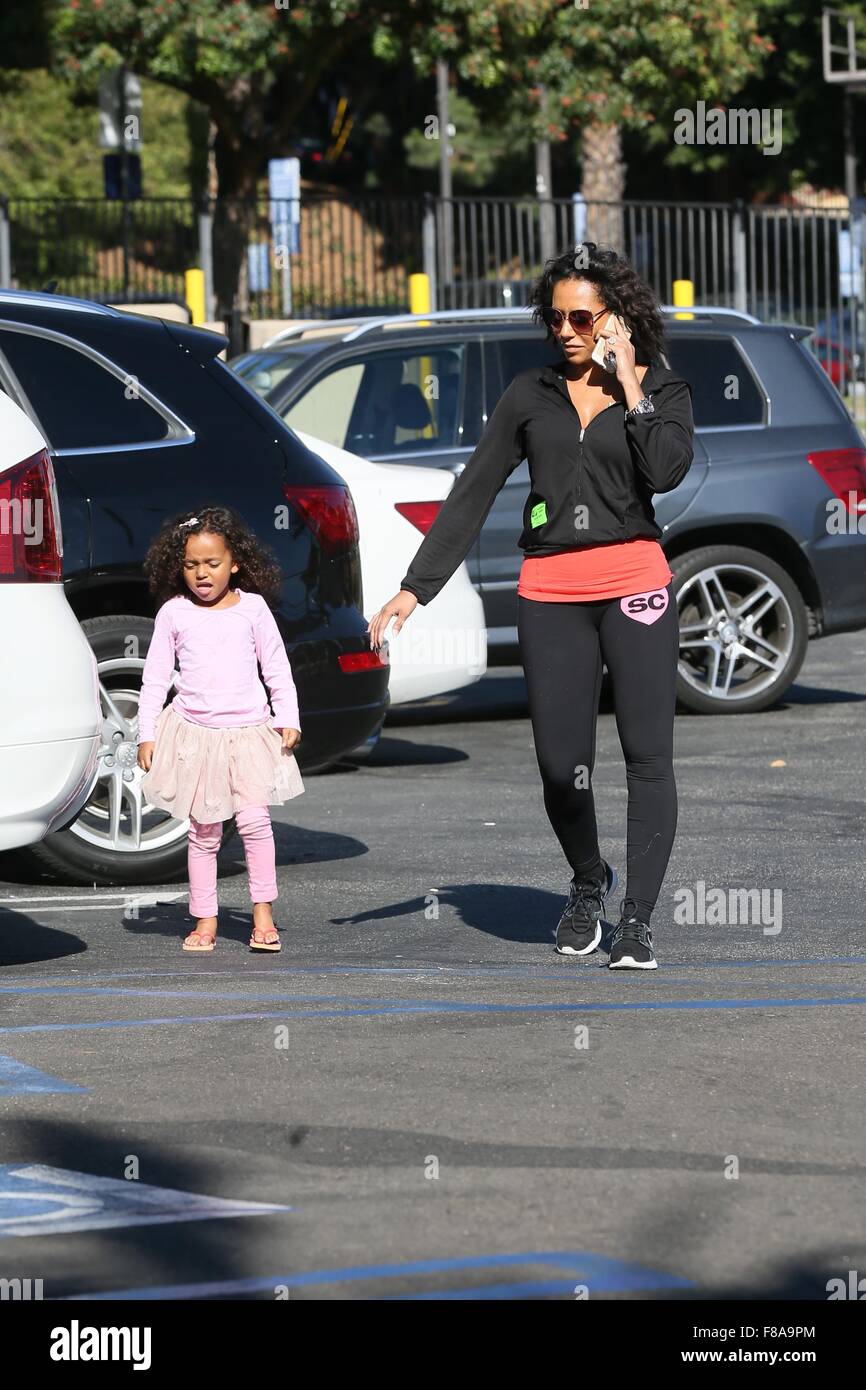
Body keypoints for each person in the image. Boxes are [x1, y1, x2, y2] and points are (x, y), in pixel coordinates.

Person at [367, 243, 694, 970]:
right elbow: (473, 491)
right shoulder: (529, 394)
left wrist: (631, 381)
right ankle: (589, 882)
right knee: (559, 766)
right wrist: (415, 586)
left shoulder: (662, 389)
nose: (567, 331)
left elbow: (666, 470)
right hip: (550, 593)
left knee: (648, 758)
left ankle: (637, 919)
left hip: (637, 584)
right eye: (556, 318)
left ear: (617, 318)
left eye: (583, 317)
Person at [136, 506, 304, 953]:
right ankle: (205, 919)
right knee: (204, 832)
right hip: (195, 737)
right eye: (191, 565)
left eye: (212, 564)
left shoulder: (253, 609)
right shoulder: (174, 614)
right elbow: (154, 677)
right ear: (180, 568)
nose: (201, 574)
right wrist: (146, 733)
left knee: (254, 822)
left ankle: (263, 914)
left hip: (249, 734)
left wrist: (288, 716)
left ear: (235, 563)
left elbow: (276, 666)